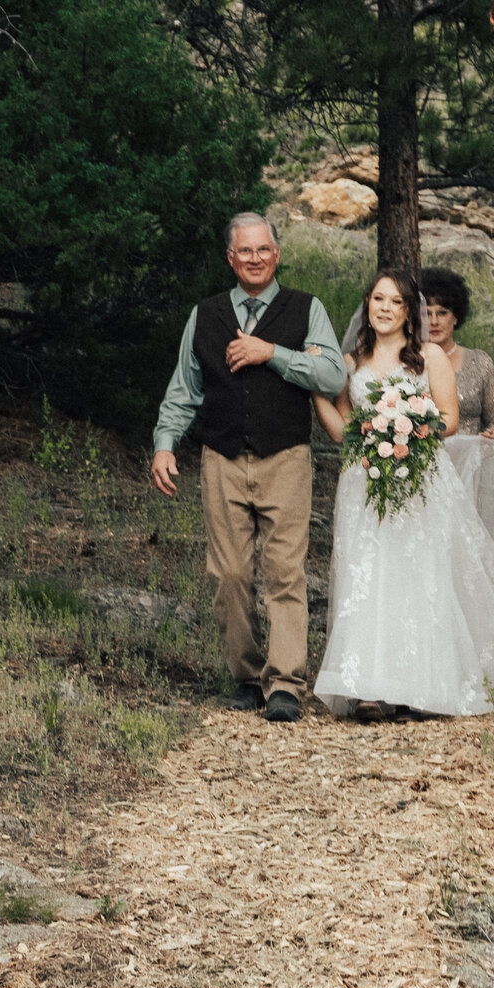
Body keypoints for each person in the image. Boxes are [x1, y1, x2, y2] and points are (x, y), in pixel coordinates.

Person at [311, 267, 494, 720]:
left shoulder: (428, 357)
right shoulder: (351, 363)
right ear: (367, 306)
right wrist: (319, 397)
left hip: (418, 476)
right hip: (364, 482)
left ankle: (417, 685)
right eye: (378, 300)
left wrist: (405, 421)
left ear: (409, 312)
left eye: (395, 302)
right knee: (368, 576)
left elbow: (448, 418)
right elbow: (345, 432)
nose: (385, 309)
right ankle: (368, 688)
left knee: (416, 577)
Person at [151, 213, 347, 723]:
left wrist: (273, 353)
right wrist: (165, 444)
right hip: (222, 458)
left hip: (286, 457)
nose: (255, 258)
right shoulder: (207, 314)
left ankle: (284, 684)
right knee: (230, 574)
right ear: (231, 259)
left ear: (276, 254)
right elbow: (185, 389)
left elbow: (331, 374)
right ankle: (246, 677)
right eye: (245, 251)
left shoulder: (306, 309)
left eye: (263, 249)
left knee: (285, 572)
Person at [420, 267, 494, 542]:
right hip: (423, 472)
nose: (434, 321)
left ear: (456, 316)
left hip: (470, 474)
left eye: (442, 312)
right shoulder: (409, 363)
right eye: (426, 312)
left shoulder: (479, 363)